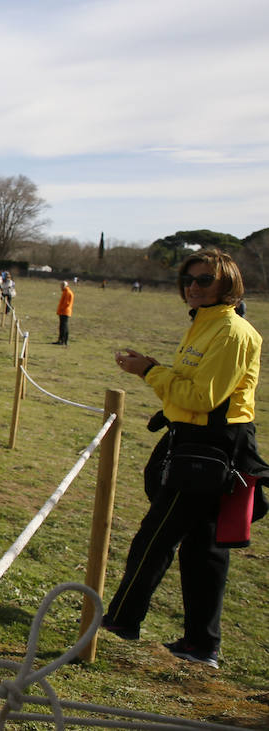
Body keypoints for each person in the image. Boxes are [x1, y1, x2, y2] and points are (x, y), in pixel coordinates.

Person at [103, 250, 269, 670]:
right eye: (188, 279)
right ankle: (201, 644)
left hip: (211, 449)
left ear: (226, 284)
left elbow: (202, 397)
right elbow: (192, 385)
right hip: (193, 441)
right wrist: (157, 368)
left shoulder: (232, 332)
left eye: (204, 280)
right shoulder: (204, 324)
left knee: (156, 536)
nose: (193, 286)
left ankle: (121, 622)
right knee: (202, 548)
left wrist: (148, 373)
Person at [54, 280, 73, 345]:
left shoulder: (67, 292)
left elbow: (66, 303)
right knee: (64, 326)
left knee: (63, 327)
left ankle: (62, 340)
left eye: (61, 286)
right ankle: (63, 340)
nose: (60, 287)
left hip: (64, 312)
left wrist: (61, 309)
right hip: (65, 311)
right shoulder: (66, 292)